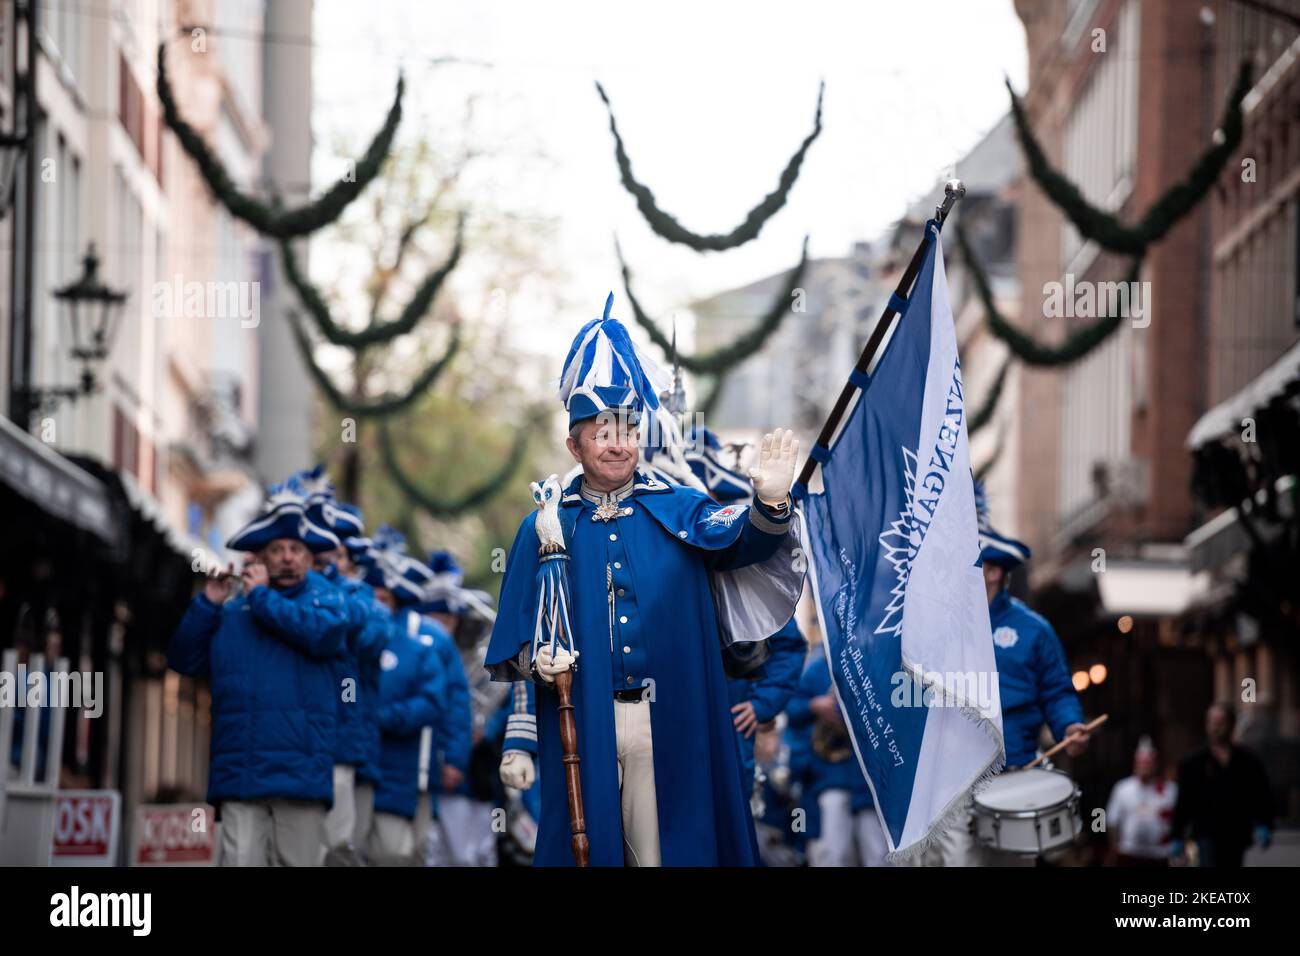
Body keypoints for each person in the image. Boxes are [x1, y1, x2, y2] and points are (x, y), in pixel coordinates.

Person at [485, 293, 804, 867]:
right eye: (602, 431)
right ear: (574, 443)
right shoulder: (545, 525)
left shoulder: (680, 506)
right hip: (582, 719)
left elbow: (743, 543)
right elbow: (516, 642)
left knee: (665, 856)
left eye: (628, 429)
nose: (618, 442)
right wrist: (538, 662)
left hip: (671, 717)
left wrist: (771, 502)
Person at [167, 481, 349, 866]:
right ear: (261, 556)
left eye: (296, 550)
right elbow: (184, 661)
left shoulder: (327, 599)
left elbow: (322, 635)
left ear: (308, 557)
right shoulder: (232, 611)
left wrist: (262, 598)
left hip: (300, 778)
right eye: (277, 550)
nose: (287, 558)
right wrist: (208, 603)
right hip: (241, 775)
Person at [907, 498, 1089, 866]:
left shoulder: (1033, 630)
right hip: (952, 780)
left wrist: (1069, 724)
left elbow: (1057, 690)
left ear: (992, 572)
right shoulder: (937, 625)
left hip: (1016, 772)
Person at [300, 478, 390, 867]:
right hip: (299, 740)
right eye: (319, 556)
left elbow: (369, 639)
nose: (327, 565)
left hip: (343, 742)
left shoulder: (363, 602)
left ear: (350, 563)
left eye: (334, 557)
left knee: (338, 846)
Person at [361, 541, 447, 865]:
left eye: (384, 599)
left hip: (395, 773)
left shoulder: (418, 648)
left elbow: (432, 702)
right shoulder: (342, 641)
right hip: (347, 768)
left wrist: (387, 717)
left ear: (396, 603)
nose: (377, 605)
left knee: (392, 853)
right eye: (372, 597)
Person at [787, 649, 887, 867]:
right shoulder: (817, 667)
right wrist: (813, 706)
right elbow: (792, 710)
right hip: (831, 775)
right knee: (833, 853)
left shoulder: (874, 657)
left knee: (878, 854)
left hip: (871, 778)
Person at [1169, 703, 1274, 867]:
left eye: (1221, 722)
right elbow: (1184, 802)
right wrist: (1176, 835)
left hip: (1236, 832)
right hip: (1206, 833)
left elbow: (1260, 794)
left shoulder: (1247, 762)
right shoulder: (1194, 763)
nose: (1216, 727)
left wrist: (1264, 823)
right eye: (1212, 722)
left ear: (1231, 725)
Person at [1105, 737, 1177, 866]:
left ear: (1155, 763)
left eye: (1147, 762)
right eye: (1140, 762)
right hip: (1129, 853)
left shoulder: (1170, 789)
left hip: (1159, 854)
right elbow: (1112, 821)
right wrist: (1114, 847)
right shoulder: (1122, 788)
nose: (1144, 766)